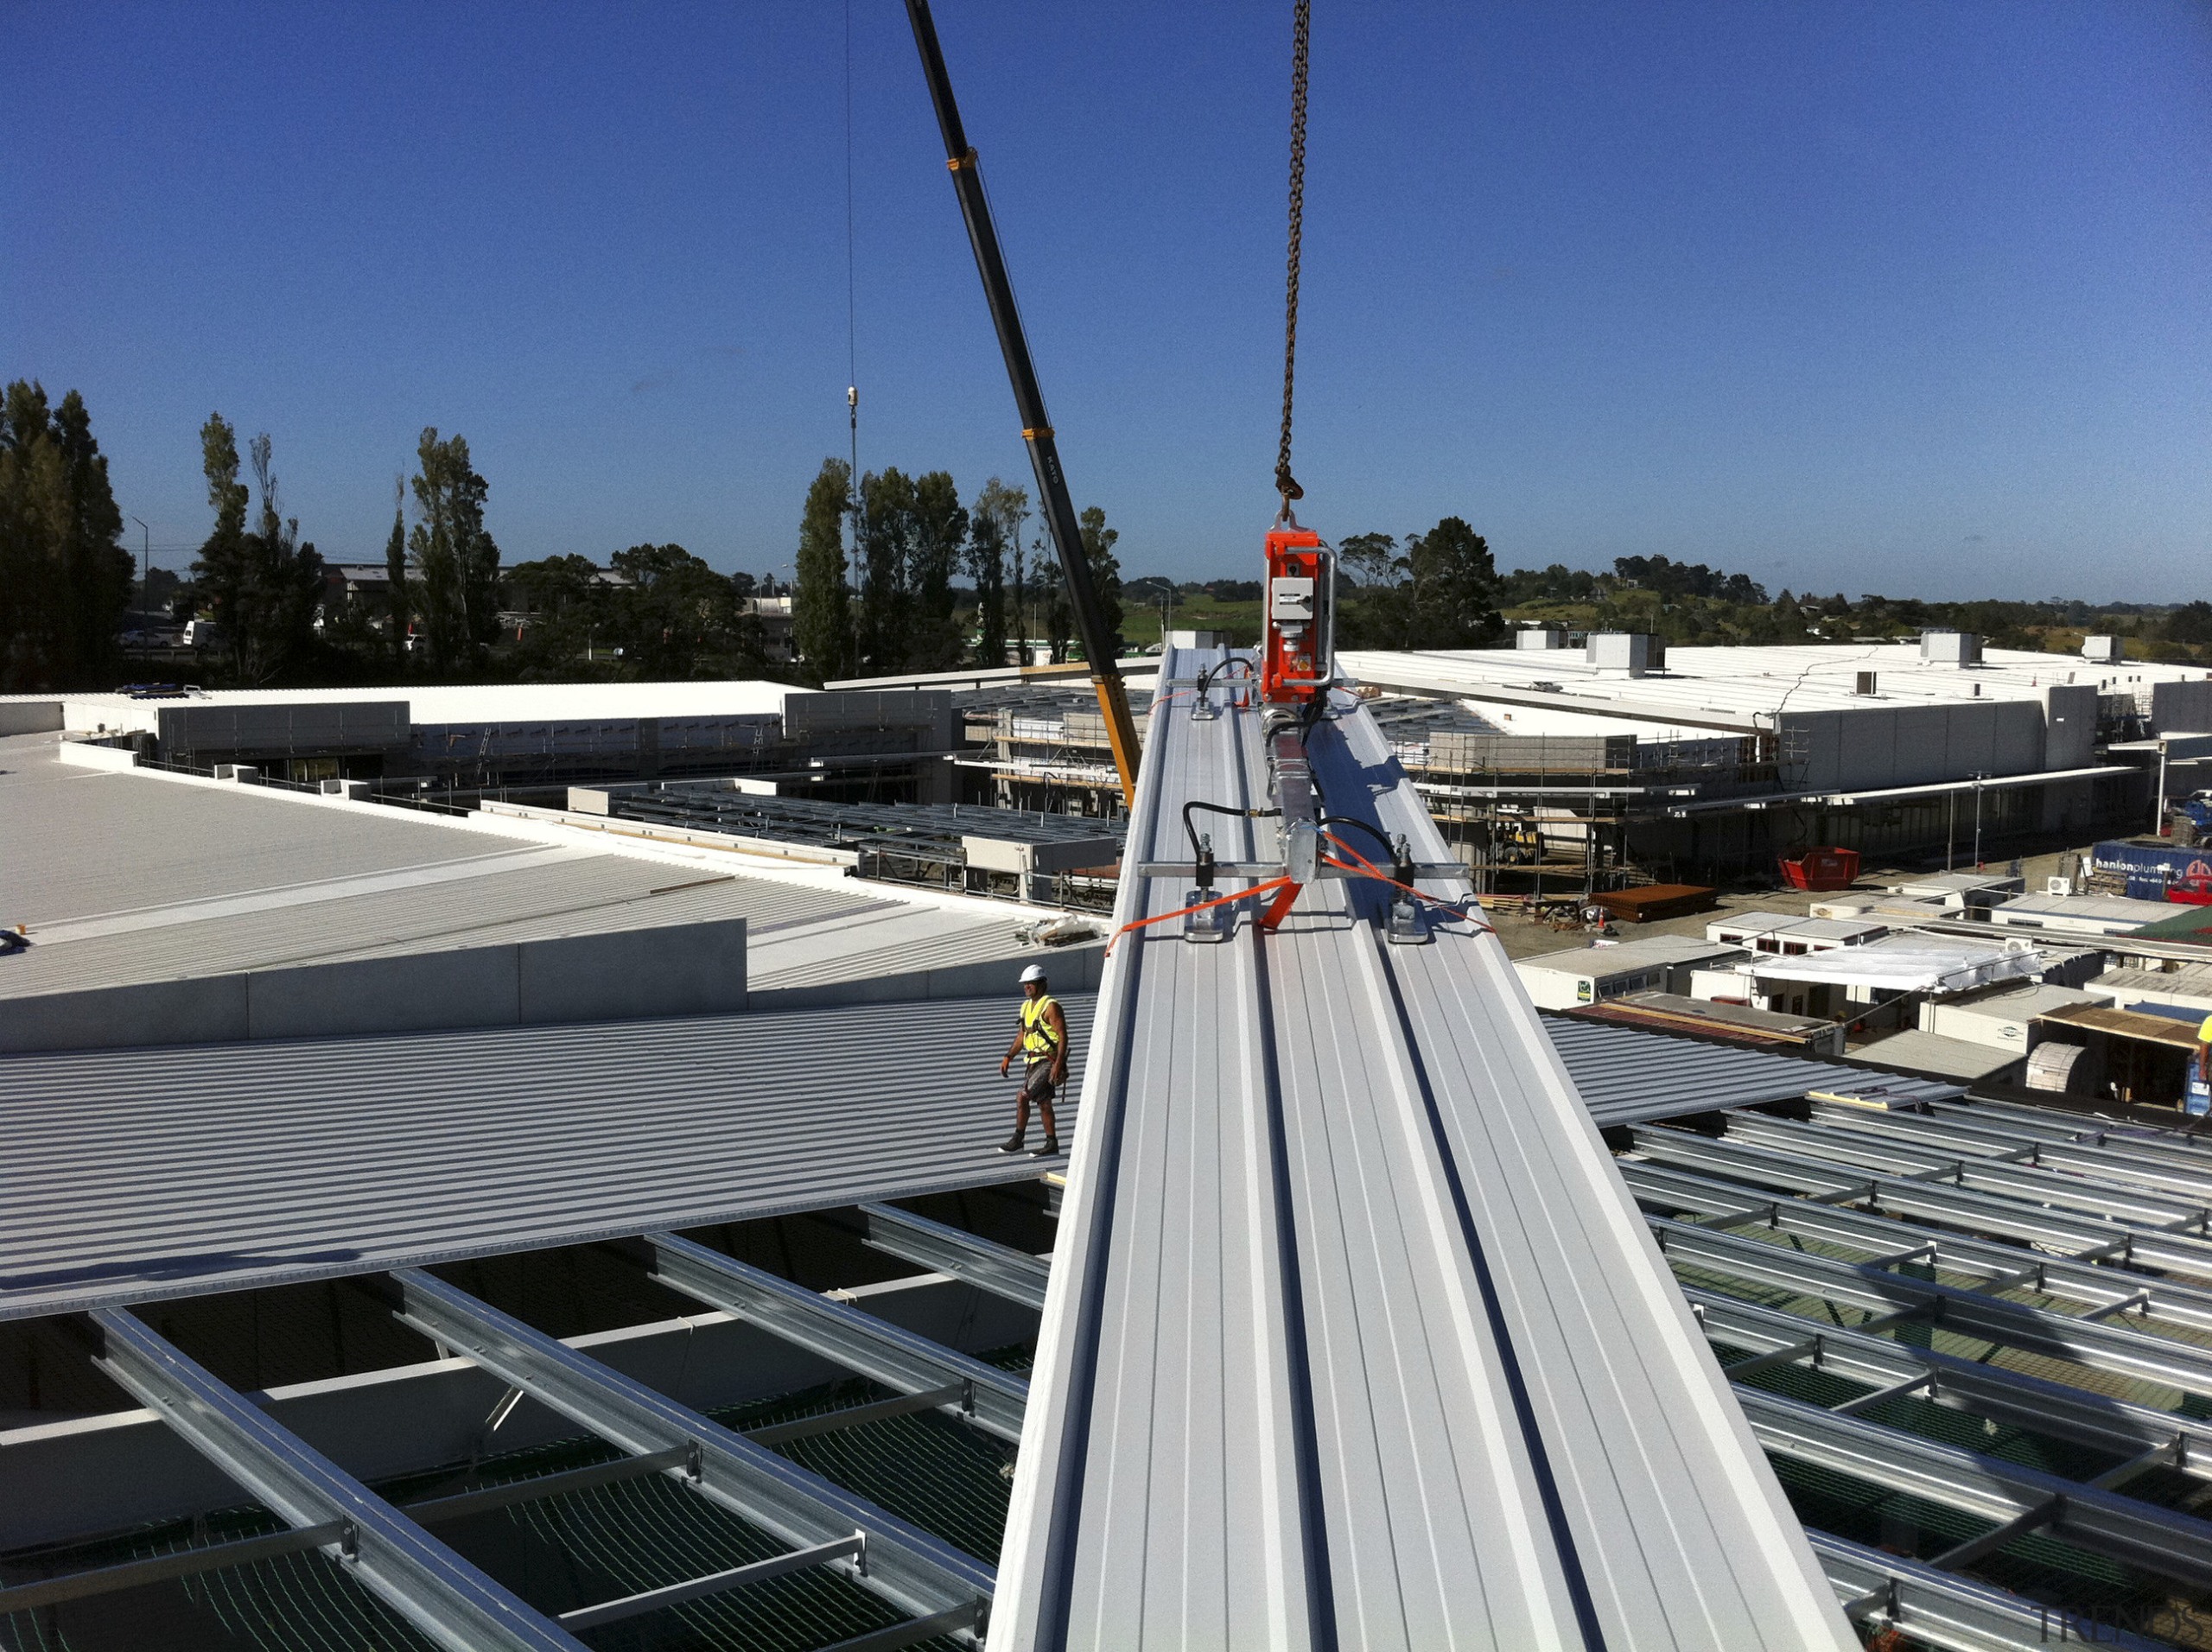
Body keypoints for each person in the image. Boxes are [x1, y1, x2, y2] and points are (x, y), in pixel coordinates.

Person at [998, 963, 1068, 1157]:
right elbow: (1022, 1035)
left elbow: (1063, 1036)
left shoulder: (1050, 1006)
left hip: (1048, 1061)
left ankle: (1018, 1139)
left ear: (1041, 984)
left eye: (1031, 983)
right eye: (1025, 984)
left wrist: (1058, 1065)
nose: (1027, 987)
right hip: (1033, 1061)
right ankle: (1051, 1143)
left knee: (1023, 1096)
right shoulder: (1026, 1007)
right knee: (1044, 1103)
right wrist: (1008, 1056)